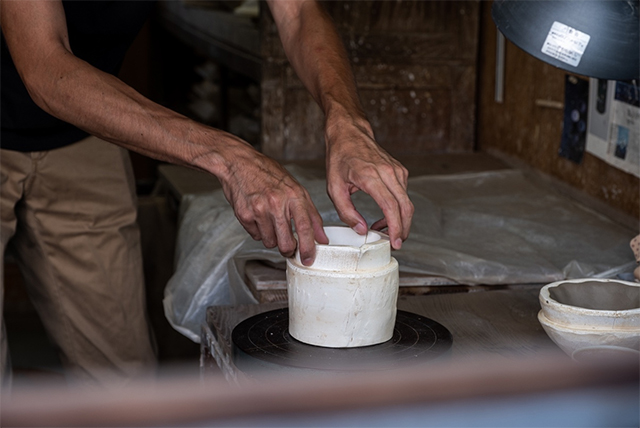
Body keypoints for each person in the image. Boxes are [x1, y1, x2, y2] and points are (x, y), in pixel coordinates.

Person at [0, 0, 414, 386]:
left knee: (124, 384)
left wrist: (347, 122)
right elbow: (45, 69)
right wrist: (228, 156)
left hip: (80, 130)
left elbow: (300, 11)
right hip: (51, 84)